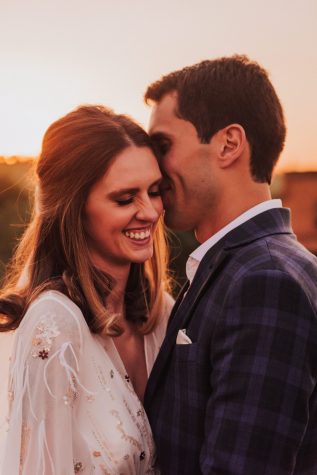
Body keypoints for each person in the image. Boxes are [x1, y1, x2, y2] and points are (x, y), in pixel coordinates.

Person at [143, 55, 317, 474]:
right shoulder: (238, 265)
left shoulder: (266, 280)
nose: (153, 167)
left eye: (163, 146)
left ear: (228, 144)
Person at [0, 105, 173, 474]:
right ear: (75, 208)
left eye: (155, 191)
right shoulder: (56, 325)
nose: (150, 212)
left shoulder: (165, 315)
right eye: (125, 199)